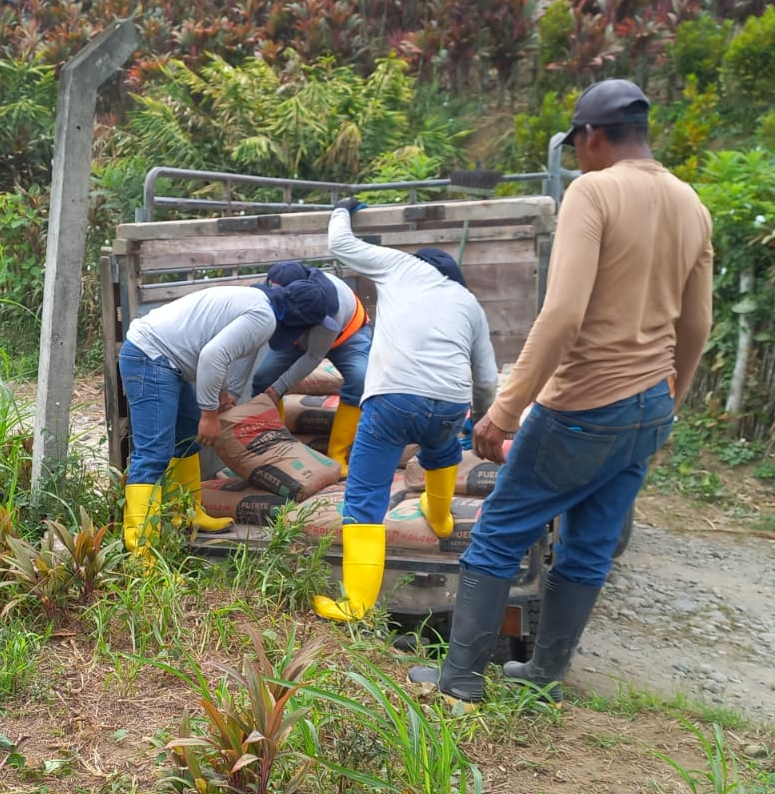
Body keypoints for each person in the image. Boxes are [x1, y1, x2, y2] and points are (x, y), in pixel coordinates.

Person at [410, 78, 714, 702]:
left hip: (584, 403)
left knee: (499, 533)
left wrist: (504, 410)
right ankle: (544, 677)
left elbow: (563, 314)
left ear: (592, 136)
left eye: (577, 144)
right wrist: (668, 405)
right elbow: (697, 323)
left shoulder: (593, 192)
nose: (578, 155)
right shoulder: (691, 203)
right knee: (590, 544)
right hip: (649, 404)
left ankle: (459, 680)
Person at [312, 201, 499, 622]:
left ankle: (357, 603)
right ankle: (441, 517)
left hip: (393, 400)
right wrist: (481, 420)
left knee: (365, 496)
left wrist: (342, 210)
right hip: (451, 404)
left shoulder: (400, 267)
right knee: (442, 449)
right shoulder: (468, 302)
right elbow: (487, 378)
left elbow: (340, 243)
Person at [118, 279, 339, 557]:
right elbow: (212, 356)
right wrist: (209, 414)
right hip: (150, 356)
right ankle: (141, 551)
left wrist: (221, 393)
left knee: (186, 438)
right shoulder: (263, 317)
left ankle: (186, 513)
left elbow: (214, 349)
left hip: (165, 359)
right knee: (154, 452)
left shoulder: (259, 302)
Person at [251, 260, 370, 474]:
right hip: (296, 335)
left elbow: (314, 355)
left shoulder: (330, 307)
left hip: (347, 337)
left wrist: (279, 387)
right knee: (263, 379)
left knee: (360, 380)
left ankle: (337, 455)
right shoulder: (274, 291)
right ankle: (277, 450)